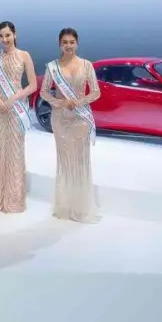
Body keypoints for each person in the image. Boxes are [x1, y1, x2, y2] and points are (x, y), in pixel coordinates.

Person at [39, 27, 101, 223]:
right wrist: (61, 102)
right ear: (59, 44)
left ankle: (81, 208)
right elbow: (44, 92)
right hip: (60, 119)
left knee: (81, 162)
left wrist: (79, 102)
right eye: (64, 42)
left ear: (77, 43)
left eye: (71, 42)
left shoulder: (86, 65)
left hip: (80, 119)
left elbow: (96, 92)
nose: (68, 46)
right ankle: (65, 207)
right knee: (65, 162)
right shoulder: (52, 67)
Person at [0, 21, 37, 213]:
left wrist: (14, 97)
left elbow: (33, 85)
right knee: (0, 151)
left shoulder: (24, 55)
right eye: (1, 36)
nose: (4, 39)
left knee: (15, 150)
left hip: (16, 107)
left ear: (15, 34)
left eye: (8, 35)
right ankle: (0, 200)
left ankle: (14, 201)